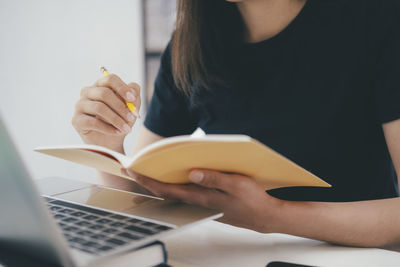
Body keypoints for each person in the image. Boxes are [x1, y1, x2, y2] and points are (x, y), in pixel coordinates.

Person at [72, 0, 400, 247]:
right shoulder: (190, 46)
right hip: (234, 253)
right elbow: (140, 200)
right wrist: (106, 144)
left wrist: (275, 215)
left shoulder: (378, 19)